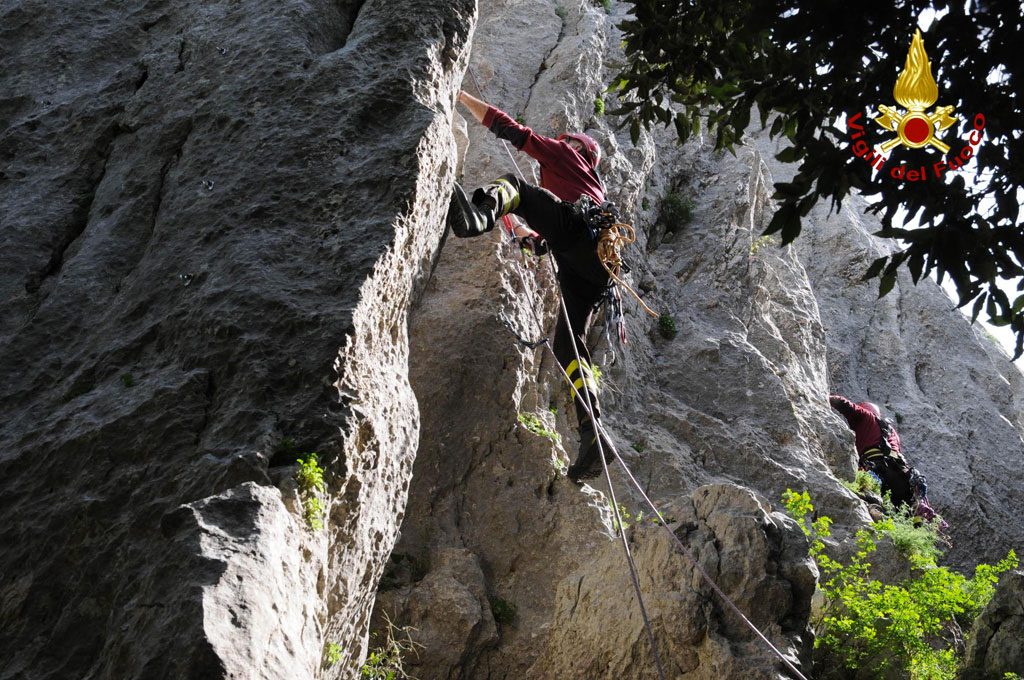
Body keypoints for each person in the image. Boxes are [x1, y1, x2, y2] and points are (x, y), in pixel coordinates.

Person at [447, 89, 614, 483]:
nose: (561, 141)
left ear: (578, 148)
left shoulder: (567, 155)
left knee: (514, 186)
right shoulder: (592, 190)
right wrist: (518, 227)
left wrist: (460, 95)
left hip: (577, 240)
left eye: (568, 139)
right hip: (594, 269)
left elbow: (514, 132)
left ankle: (475, 218)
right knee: (568, 346)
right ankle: (593, 432)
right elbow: (543, 241)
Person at [828, 395, 943, 524]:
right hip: (903, 475)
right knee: (906, 512)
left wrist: (825, 397)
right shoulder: (891, 431)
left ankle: (877, 512)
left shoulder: (866, 417)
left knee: (876, 500)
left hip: (878, 469)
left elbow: (845, 404)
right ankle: (913, 531)